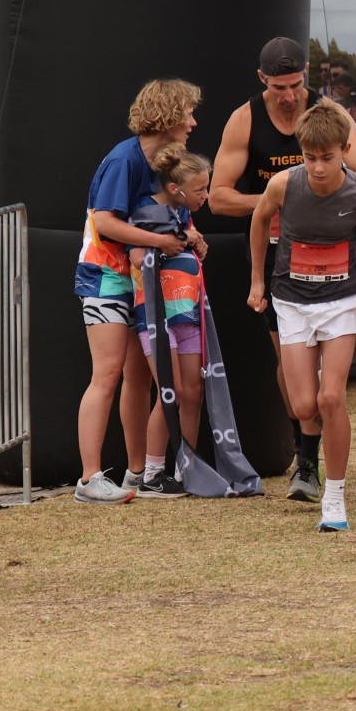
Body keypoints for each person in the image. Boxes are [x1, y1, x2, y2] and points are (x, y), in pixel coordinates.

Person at [209, 37, 356, 455]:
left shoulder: (330, 114)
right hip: (276, 259)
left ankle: (312, 456)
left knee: (329, 383)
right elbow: (217, 197)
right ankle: (303, 449)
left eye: (296, 84)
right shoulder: (244, 119)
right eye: (278, 87)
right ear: (260, 78)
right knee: (289, 366)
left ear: (306, 71)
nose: (289, 97)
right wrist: (279, 199)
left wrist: (319, 194)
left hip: (334, 255)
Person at [246, 101, 356, 533]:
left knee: (331, 398)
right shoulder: (283, 186)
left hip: (343, 301)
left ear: (345, 150)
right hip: (292, 300)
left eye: (327, 158)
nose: (319, 167)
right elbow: (258, 222)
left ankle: (335, 498)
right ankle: (317, 458)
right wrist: (257, 281)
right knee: (303, 404)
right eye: (310, 158)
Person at [74, 78, 205, 504]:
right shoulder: (124, 160)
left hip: (142, 280)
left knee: (138, 379)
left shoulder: (168, 161)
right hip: (106, 277)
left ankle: (137, 474)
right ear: (167, 115)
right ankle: (89, 479)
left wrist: (190, 233)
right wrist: (160, 243)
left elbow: (169, 212)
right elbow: (106, 222)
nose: (193, 122)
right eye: (188, 112)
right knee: (107, 374)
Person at [124, 143, 213, 499]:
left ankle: (184, 470)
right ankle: (153, 473)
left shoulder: (182, 215)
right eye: (200, 190)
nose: (206, 196)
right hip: (156, 315)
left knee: (193, 390)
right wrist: (178, 239)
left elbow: (187, 246)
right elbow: (136, 256)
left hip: (186, 311)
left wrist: (197, 244)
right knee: (170, 391)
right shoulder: (148, 212)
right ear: (175, 189)